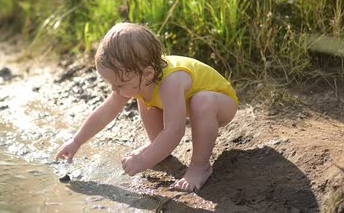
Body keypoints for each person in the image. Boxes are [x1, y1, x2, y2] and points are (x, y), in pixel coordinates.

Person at [55, 22, 239, 191]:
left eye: (118, 84)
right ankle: (156, 145)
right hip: (185, 104)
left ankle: (200, 165)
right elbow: (106, 111)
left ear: (148, 74)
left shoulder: (171, 82)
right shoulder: (141, 78)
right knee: (139, 94)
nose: (114, 89)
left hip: (220, 105)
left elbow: (175, 131)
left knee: (201, 101)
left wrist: (143, 160)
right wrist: (76, 141)